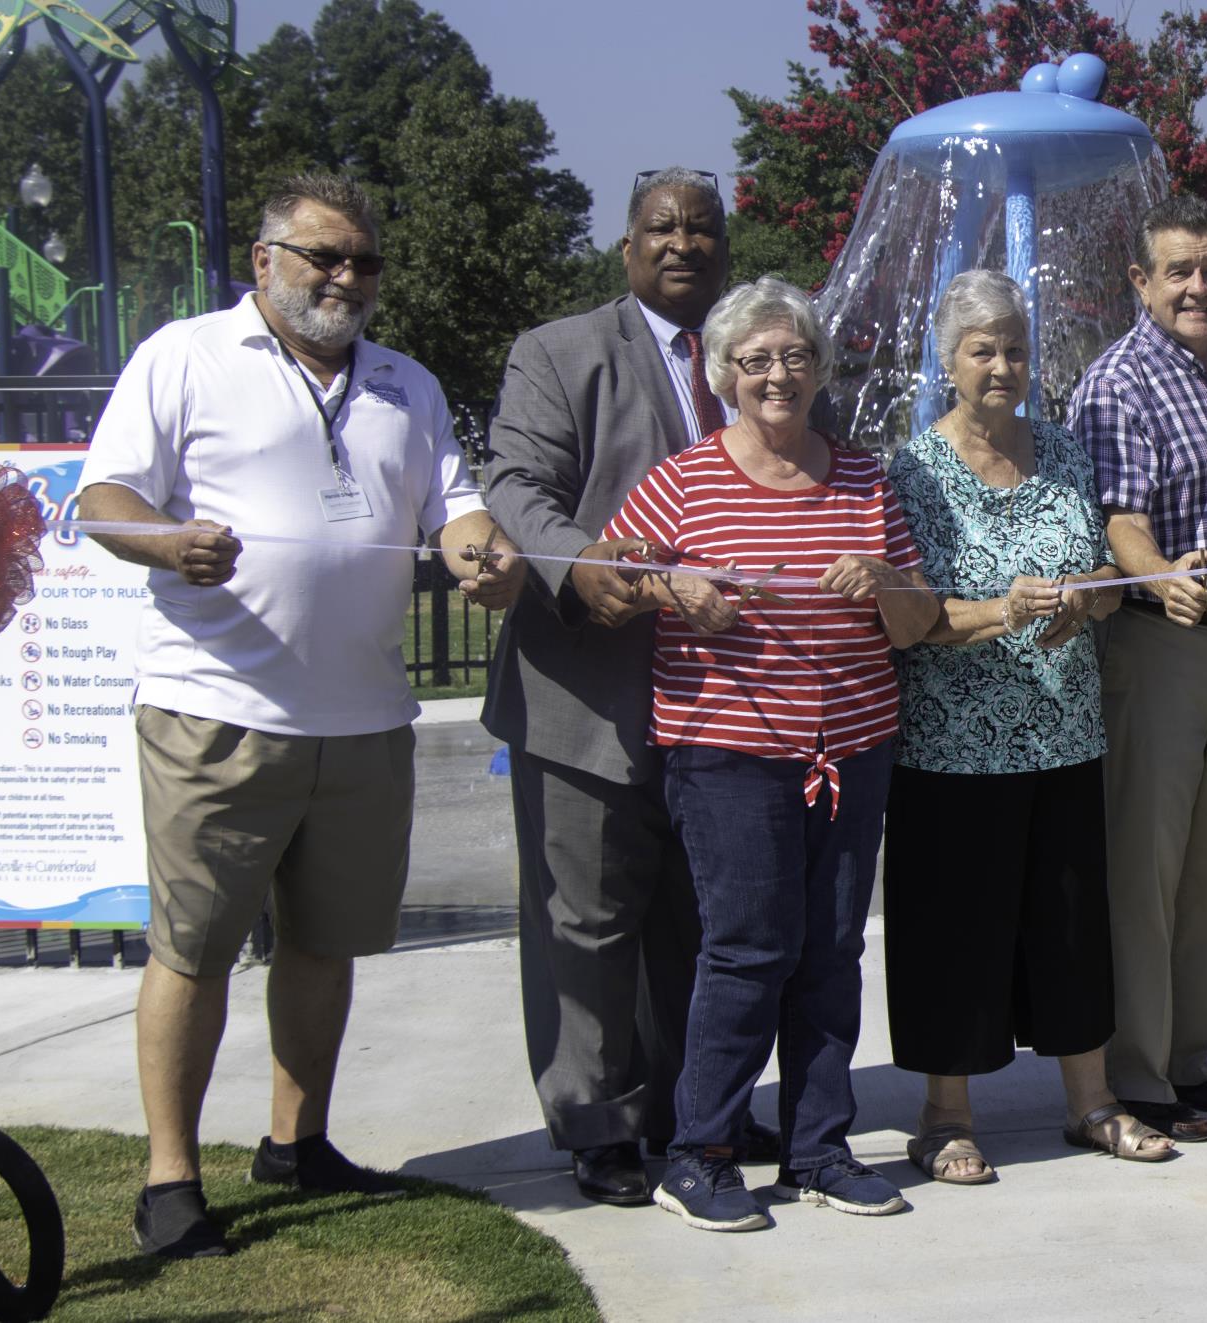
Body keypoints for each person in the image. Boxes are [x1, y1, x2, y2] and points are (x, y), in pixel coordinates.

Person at [75, 174, 524, 1259]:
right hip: (216, 712)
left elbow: (453, 506)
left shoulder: (403, 384)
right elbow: (104, 502)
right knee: (192, 952)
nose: (345, 279)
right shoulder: (184, 356)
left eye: (363, 261)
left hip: (368, 719)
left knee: (326, 947)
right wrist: (169, 541)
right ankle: (170, 1181)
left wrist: (482, 556)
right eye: (323, 256)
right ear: (264, 260)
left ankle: (298, 1141)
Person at [600, 277, 939, 1232]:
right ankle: (700, 1151)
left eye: (795, 357)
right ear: (723, 378)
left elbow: (915, 626)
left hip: (852, 748)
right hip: (729, 755)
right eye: (756, 361)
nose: (777, 376)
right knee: (749, 949)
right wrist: (675, 588)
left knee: (832, 952)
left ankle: (820, 1147)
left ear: (820, 370)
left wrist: (883, 578)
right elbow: (604, 569)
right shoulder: (687, 479)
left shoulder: (868, 479)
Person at [480, 166, 779, 1209]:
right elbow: (513, 485)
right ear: (626, 246)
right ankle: (598, 1125)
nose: (682, 245)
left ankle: (700, 1109)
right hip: (587, 690)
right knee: (589, 921)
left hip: (728, 697)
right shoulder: (557, 354)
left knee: (704, 921)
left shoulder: (760, 358)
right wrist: (579, 563)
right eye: (660, 228)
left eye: (702, 231)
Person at [884, 270, 1172, 1183]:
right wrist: (1003, 610)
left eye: (1014, 347)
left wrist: (1088, 598)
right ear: (947, 359)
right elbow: (914, 615)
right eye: (982, 350)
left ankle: (1091, 1101)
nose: (1002, 364)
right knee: (955, 929)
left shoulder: (1063, 448)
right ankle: (945, 1115)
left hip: (1063, 732)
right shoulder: (912, 469)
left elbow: (1105, 575)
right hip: (952, 745)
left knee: (1072, 924)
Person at [1067, 194, 1207, 1143]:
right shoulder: (1117, 384)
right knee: (1146, 869)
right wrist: (1162, 577)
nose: (1196, 286)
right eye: (1177, 271)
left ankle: (1190, 1057)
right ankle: (1136, 1070)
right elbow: (1118, 519)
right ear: (1140, 281)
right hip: (1159, 645)